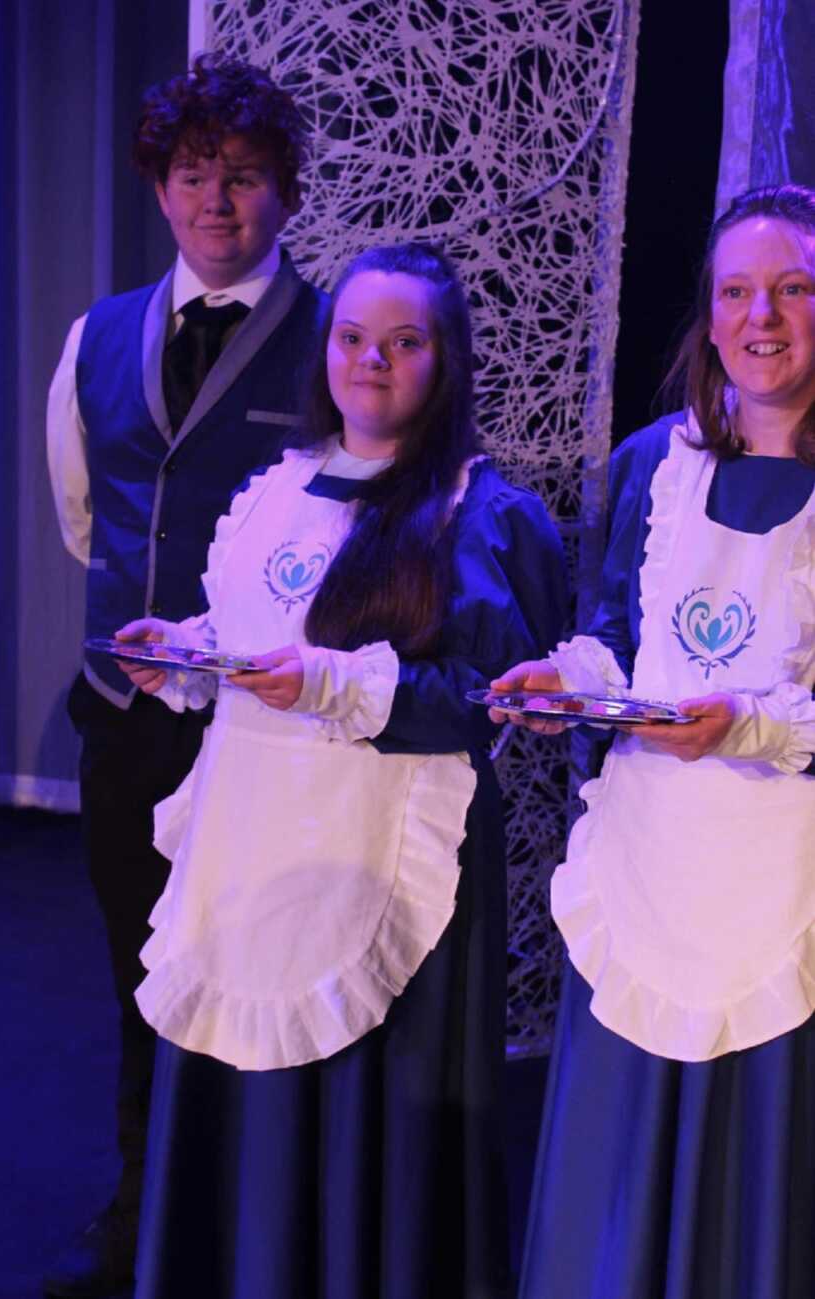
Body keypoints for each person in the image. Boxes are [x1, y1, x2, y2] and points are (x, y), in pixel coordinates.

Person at [114, 243, 568, 1299]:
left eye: (404, 343)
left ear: (446, 362)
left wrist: (330, 685)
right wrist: (183, 654)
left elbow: (495, 702)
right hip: (252, 853)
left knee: (368, 1146)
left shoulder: (484, 515)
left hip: (389, 861)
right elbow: (248, 639)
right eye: (353, 338)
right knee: (243, 1127)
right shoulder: (273, 491)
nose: (371, 362)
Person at [492, 185, 815, 1299]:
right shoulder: (650, 467)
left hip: (786, 886)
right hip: (652, 859)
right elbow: (620, 644)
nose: (760, 314)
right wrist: (566, 680)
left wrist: (754, 724)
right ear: (708, 313)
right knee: (618, 1180)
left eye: (792, 288)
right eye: (736, 290)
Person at [45, 52, 326, 1298]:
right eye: (197, 174)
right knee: (141, 978)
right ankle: (141, 1220)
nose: (221, 202)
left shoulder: (336, 336)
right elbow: (83, 514)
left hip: (260, 739)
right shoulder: (97, 334)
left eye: (249, 178)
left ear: (285, 195)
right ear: (161, 186)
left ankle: (254, 1234)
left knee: (257, 983)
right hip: (126, 722)